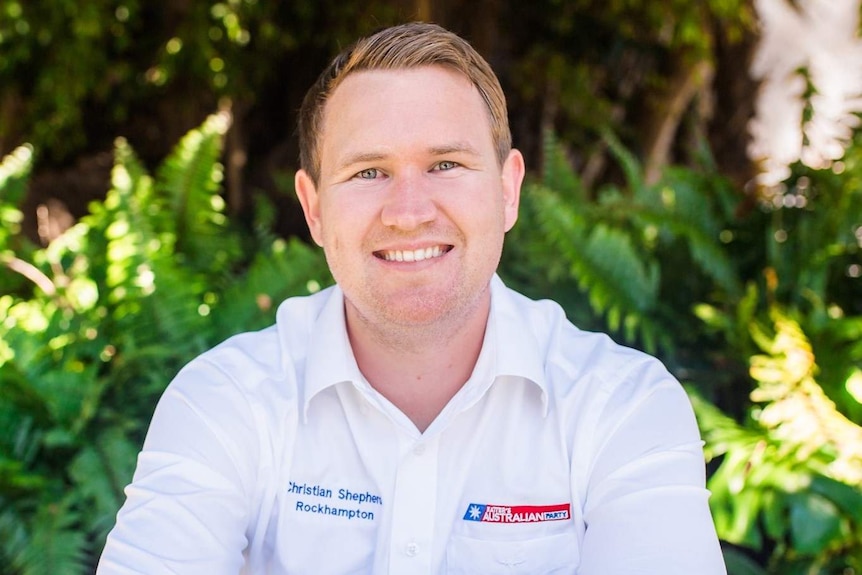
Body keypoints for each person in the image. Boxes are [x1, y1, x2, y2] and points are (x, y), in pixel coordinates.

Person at [98, 22, 727, 575]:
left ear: (508, 191)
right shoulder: (225, 401)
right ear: (314, 209)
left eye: (446, 165)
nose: (408, 213)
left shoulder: (622, 409)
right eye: (368, 172)